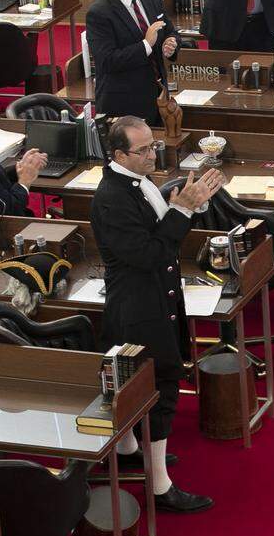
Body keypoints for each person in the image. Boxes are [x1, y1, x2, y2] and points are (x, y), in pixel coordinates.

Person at [90, 116, 224, 513]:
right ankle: (160, 486)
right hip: (138, 306)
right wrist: (182, 209)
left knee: (150, 377)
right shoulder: (112, 197)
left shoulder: (134, 181)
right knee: (162, 384)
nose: (154, 154)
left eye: (153, 146)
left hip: (155, 297)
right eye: (144, 150)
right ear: (118, 154)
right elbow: (149, 254)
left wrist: (185, 206)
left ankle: (131, 448)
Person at [86, 0, 181, 124]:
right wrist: (146, 44)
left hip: (159, 96)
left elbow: (170, 31)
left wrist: (171, 44)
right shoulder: (99, 13)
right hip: (125, 105)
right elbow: (108, 61)